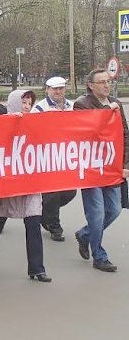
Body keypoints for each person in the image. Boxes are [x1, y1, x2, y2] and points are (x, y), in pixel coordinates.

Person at [0, 90, 52, 283]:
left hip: (30, 182)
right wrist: (10, 124)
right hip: (7, 183)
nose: (26, 106)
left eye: (29, 103)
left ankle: (37, 269)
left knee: (33, 222)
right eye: (23, 102)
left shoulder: (36, 122)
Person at [72, 69, 129, 272]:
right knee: (96, 212)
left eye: (109, 81)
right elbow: (88, 131)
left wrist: (125, 165)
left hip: (112, 167)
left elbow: (124, 135)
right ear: (91, 85)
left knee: (114, 209)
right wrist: (107, 112)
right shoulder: (82, 105)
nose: (107, 85)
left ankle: (85, 235)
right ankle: (99, 256)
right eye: (102, 82)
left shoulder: (116, 103)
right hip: (91, 168)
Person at [31, 76, 76, 242]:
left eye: (61, 88)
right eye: (54, 88)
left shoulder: (73, 106)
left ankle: (44, 213)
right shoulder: (40, 108)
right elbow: (33, 131)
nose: (58, 91)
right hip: (48, 157)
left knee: (70, 192)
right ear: (47, 90)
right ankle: (55, 227)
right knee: (52, 193)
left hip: (68, 156)